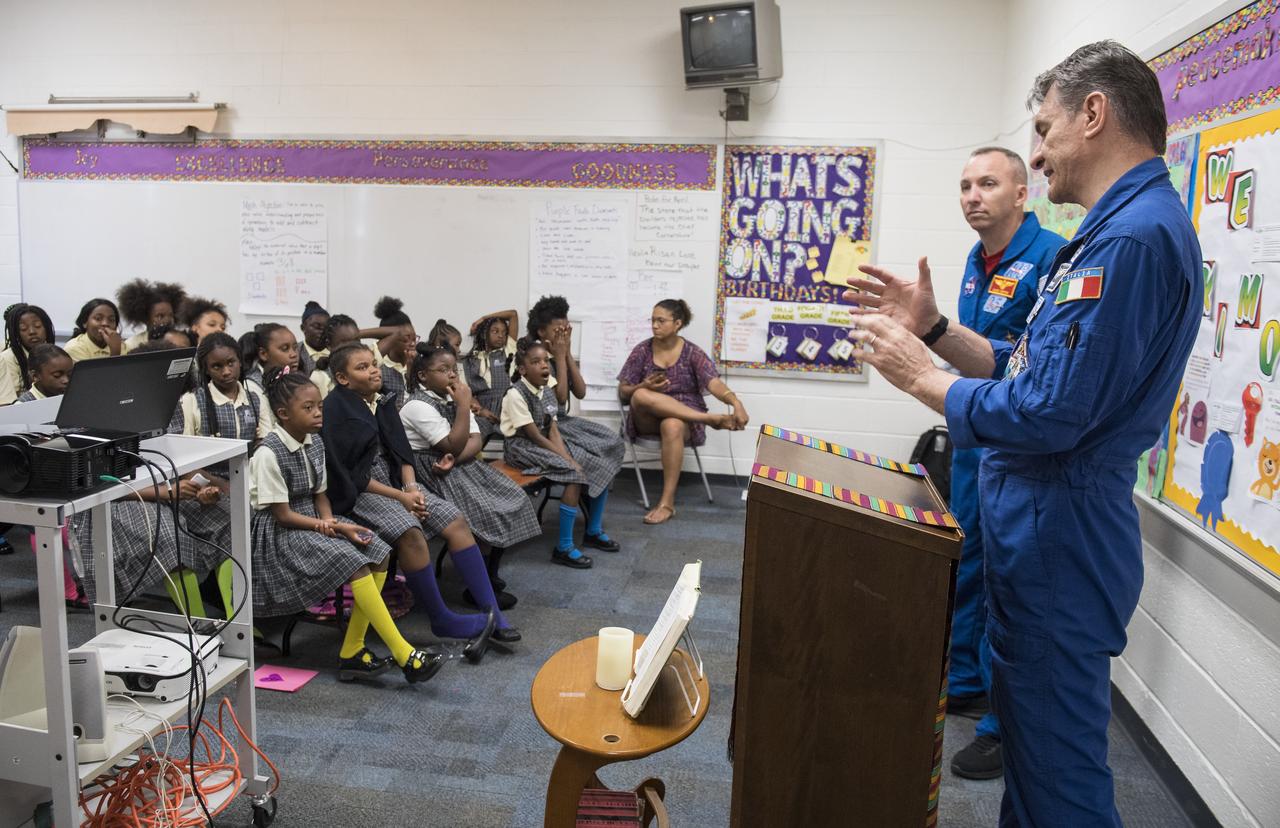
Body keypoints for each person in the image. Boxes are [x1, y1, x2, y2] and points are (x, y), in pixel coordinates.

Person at [844, 41, 1200, 825]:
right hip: (1042, 528)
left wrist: (921, 377)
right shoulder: (1115, 229)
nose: (1036, 156)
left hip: (1060, 535)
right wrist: (936, 329)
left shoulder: (1131, 239)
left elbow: (1047, 414)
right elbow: (1031, 370)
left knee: (1058, 777)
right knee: (1038, 769)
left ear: (1094, 114)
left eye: (1043, 130)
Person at [946, 148, 1068, 781]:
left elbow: (1034, 362)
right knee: (965, 561)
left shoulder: (1053, 257)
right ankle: (964, 678)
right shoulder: (975, 259)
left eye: (987, 183)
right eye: (965, 185)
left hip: (1019, 447)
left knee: (1007, 580)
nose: (973, 195)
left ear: (1022, 193)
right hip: (974, 437)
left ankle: (1001, 723)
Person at [250, 367, 444, 684]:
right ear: (283, 414)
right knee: (355, 563)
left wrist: (330, 520)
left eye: (319, 406)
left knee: (378, 550)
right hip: (279, 533)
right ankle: (404, 654)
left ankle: (352, 650)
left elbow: (321, 494)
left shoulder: (314, 442)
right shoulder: (268, 453)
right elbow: (282, 516)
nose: (317, 414)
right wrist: (335, 528)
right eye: (307, 408)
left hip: (313, 518)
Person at [322, 342, 512, 654]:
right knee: (411, 533)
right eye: (362, 367)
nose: (373, 370)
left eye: (373, 364)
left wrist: (411, 487)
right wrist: (400, 496)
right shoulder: (337, 412)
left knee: (454, 520)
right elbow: (351, 477)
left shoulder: (381, 401)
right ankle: (441, 618)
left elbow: (402, 451)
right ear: (342, 379)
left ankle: (493, 611)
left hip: (396, 483)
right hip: (362, 492)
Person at [402, 342, 541, 610]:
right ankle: (480, 588)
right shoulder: (416, 406)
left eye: (453, 369)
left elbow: (475, 439)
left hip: (457, 466)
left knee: (512, 497)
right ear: (423, 376)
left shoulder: (451, 397)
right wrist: (464, 406)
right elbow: (451, 443)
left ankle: (490, 575)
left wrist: (455, 457)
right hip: (432, 473)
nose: (452, 375)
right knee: (486, 511)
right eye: (443, 370)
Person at [616, 299, 747, 524]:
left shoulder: (692, 353)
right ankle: (709, 419)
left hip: (683, 423)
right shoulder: (642, 351)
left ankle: (666, 503)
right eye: (653, 320)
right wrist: (643, 386)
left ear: (677, 323)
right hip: (646, 419)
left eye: (661, 321)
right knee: (640, 396)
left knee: (673, 424)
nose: (655, 325)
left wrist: (736, 403)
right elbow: (624, 392)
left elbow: (713, 383)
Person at [527, 295, 623, 552]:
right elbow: (558, 399)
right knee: (585, 460)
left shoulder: (560, 352)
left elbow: (579, 392)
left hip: (562, 422)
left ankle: (593, 529)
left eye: (567, 329)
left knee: (610, 443)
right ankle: (568, 543)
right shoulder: (532, 359)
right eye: (558, 330)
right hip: (541, 427)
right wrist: (559, 356)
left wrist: (566, 354)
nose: (564, 334)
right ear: (541, 331)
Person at [500, 338, 593, 568]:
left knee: (578, 464)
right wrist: (567, 460)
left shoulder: (545, 389)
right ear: (523, 369)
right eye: (536, 362)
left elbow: (552, 429)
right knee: (573, 473)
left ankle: (580, 536)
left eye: (546, 361)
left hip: (540, 442)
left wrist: (568, 457)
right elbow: (535, 436)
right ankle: (564, 547)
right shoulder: (515, 394)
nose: (544, 365)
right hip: (520, 447)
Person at [462, 311, 519, 441]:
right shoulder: (472, 360)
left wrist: (484, 318)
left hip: (508, 409)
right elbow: (467, 393)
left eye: (504, 332)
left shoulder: (508, 350)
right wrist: (481, 410)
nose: (501, 336)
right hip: (482, 411)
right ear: (484, 333)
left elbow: (513, 315)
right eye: (495, 331)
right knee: (474, 436)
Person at [0, 302, 56, 405]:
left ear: (46, 328)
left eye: (37, 326)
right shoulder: (8, 358)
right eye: (23, 329)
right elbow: (10, 402)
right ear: (16, 333)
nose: (32, 332)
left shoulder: (55, 354)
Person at [117, 279, 187, 352]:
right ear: (146, 319)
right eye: (160, 316)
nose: (168, 320)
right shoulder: (131, 345)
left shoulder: (182, 341)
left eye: (171, 315)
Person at [241, 323, 300, 391]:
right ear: (263, 354)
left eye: (295, 348)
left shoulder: (297, 377)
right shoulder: (251, 387)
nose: (294, 354)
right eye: (284, 348)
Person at [298, 301, 330, 374]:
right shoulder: (295, 352)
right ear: (303, 328)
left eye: (326, 328)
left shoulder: (336, 352)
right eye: (317, 327)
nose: (322, 332)